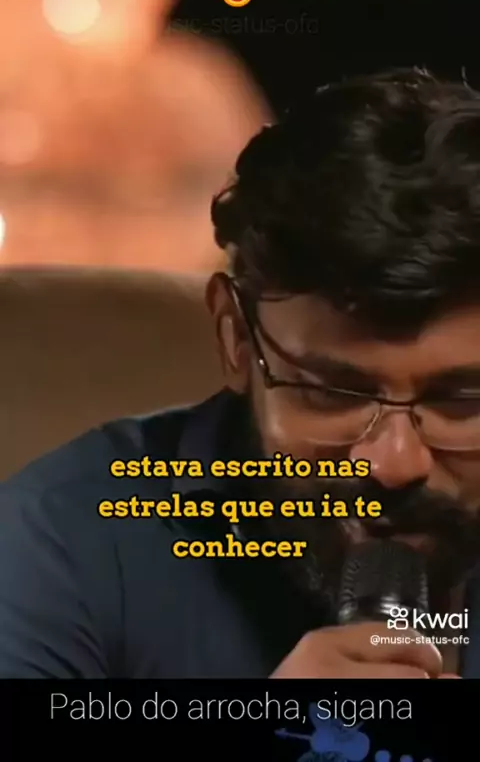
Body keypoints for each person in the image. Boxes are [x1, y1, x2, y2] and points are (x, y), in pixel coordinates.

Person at [1, 66, 480, 679]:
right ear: (234, 336)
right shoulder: (63, 540)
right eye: (332, 394)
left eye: (461, 400)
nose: (394, 463)